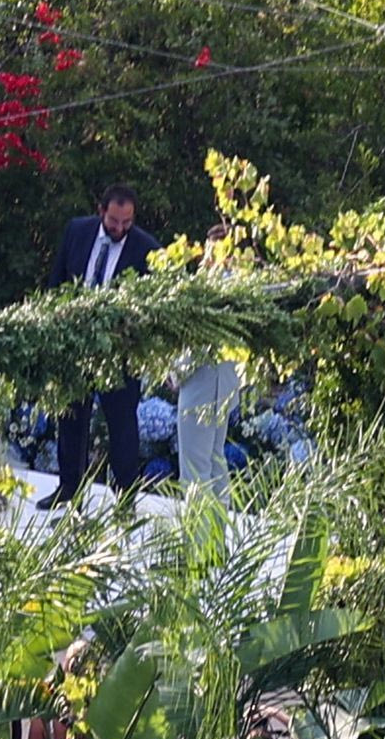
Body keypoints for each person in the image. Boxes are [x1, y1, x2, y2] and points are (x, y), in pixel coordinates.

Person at [39, 185, 159, 511]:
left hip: (118, 355)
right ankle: (68, 490)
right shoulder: (77, 231)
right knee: (70, 419)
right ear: (100, 210)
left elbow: (151, 310)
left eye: (127, 222)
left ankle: (124, 499)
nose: (119, 229)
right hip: (74, 346)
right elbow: (57, 282)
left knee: (121, 426)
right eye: (114, 221)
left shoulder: (147, 249)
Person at [176, 226, 244, 500]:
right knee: (214, 460)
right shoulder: (240, 283)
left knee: (194, 468)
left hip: (202, 380)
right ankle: (217, 533)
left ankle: (198, 538)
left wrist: (177, 371)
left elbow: (197, 339)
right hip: (224, 382)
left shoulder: (212, 285)